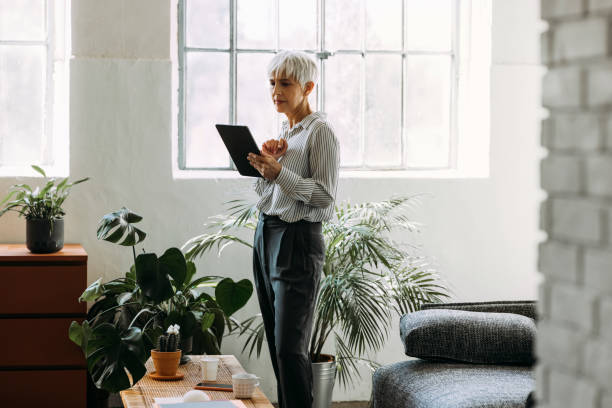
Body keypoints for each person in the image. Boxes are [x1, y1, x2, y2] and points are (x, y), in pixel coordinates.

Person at [247, 50, 340, 408]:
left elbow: (326, 196)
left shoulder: (321, 132)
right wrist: (265, 166)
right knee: (276, 341)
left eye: (285, 83)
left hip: (297, 239)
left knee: (290, 348)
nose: (276, 91)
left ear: (308, 87)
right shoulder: (286, 134)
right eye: (272, 83)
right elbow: (269, 192)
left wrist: (279, 172)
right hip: (267, 234)